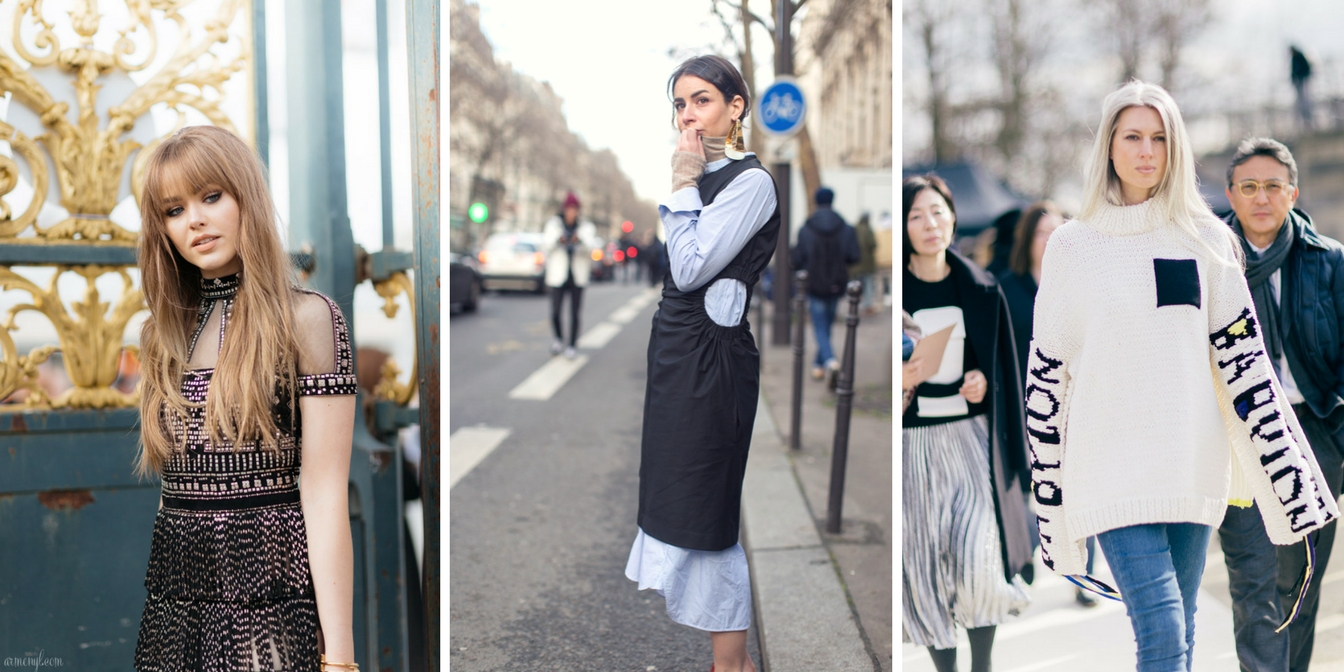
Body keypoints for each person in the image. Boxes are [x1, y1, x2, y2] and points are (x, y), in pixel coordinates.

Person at [1025, 81, 1338, 671]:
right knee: (1163, 629)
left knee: (1184, 630)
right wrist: (1050, 496)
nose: (1147, 151)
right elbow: (1047, 376)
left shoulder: (1208, 241)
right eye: (1133, 137)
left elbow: (1247, 368)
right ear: (1109, 147)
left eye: (1161, 139)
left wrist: (1292, 478)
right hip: (1110, 470)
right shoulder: (1071, 247)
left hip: (1191, 465)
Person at [133, 126, 359, 670]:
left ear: (245, 198)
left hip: (270, 601)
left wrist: (341, 659)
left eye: (211, 197)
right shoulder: (163, 333)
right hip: (175, 603)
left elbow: (325, 492)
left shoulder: (307, 319)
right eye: (173, 209)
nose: (195, 220)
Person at [626, 54, 779, 672]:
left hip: (712, 363)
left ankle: (731, 664)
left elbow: (689, 268)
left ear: (735, 108)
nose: (688, 115)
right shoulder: (702, 176)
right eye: (681, 104)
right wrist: (688, 179)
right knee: (677, 500)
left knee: (708, 510)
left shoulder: (751, 182)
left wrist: (684, 181)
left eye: (702, 101)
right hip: (675, 355)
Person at [1215, 137, 1344, 672]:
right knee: (1255, 586)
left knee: (1302, 584)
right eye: (1249, 187)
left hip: (1314, 435)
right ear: (1230, 194)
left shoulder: (1329, 260)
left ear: (1292, 192)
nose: (1261, 197)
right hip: (1240, 439)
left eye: (1272, 186)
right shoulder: (1208, 259)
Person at [902, 173, 1032, 672]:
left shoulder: (980, 287)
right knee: (928, 567)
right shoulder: (902, 292)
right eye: (916, 215)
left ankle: (982, 666)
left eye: (937, 211)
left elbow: (1000, 369)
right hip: (915, 448)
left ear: (953, 217)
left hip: (972, 443)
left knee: (978, 557)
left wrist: (980, 378)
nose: (930, 224)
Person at [998, 200, 1102, 606]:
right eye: (1042, 232)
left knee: (1079, 491)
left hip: (1076, 404)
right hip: (1026, 405)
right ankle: (1026, 549)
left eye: (1058, 232)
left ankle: (1084, 577)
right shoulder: (1006, 286)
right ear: (1027, 240)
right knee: (1030, 489)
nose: (1051, 240)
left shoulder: (1081, 285)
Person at [791, 186, 860, 383]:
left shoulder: (806, 228)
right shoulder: (845, 227)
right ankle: (819, 365)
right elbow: (854, 255)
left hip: (814, 283)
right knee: (826, 324)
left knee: (821, 325)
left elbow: (797, 258)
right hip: (837, 284)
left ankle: (828, 361)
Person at [542, 191, 598, 359]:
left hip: (577, 276)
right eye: (569, 209)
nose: (571, 213)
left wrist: (578, 240)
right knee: (555, 312)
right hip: (558, 276)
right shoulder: (553, 224)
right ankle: (558, 339)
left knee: (575, 313)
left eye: (574, 209)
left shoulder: (586, 227)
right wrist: (558, 240)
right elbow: (546, 245)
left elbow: (591, 248)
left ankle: (572, 345)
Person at [852, 213, 880, 314]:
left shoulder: (854, 229)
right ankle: (867, 305)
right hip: (866, 264)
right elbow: (873, 244)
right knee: (868, 285)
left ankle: (855, 305)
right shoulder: (868, 230)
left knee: (855, 286)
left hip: (854, 264)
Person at [1291, 46, 1313, 130]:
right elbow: (1292, 70)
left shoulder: (1300, 56)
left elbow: (1306, 68)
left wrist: (1303, 76)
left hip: (1303, 80)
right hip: (1299, 81)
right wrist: (1293, 79)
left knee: (1305, 100)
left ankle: (1308, 121)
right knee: (1300, 101)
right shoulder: (1294, 58)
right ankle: (1303, 122)